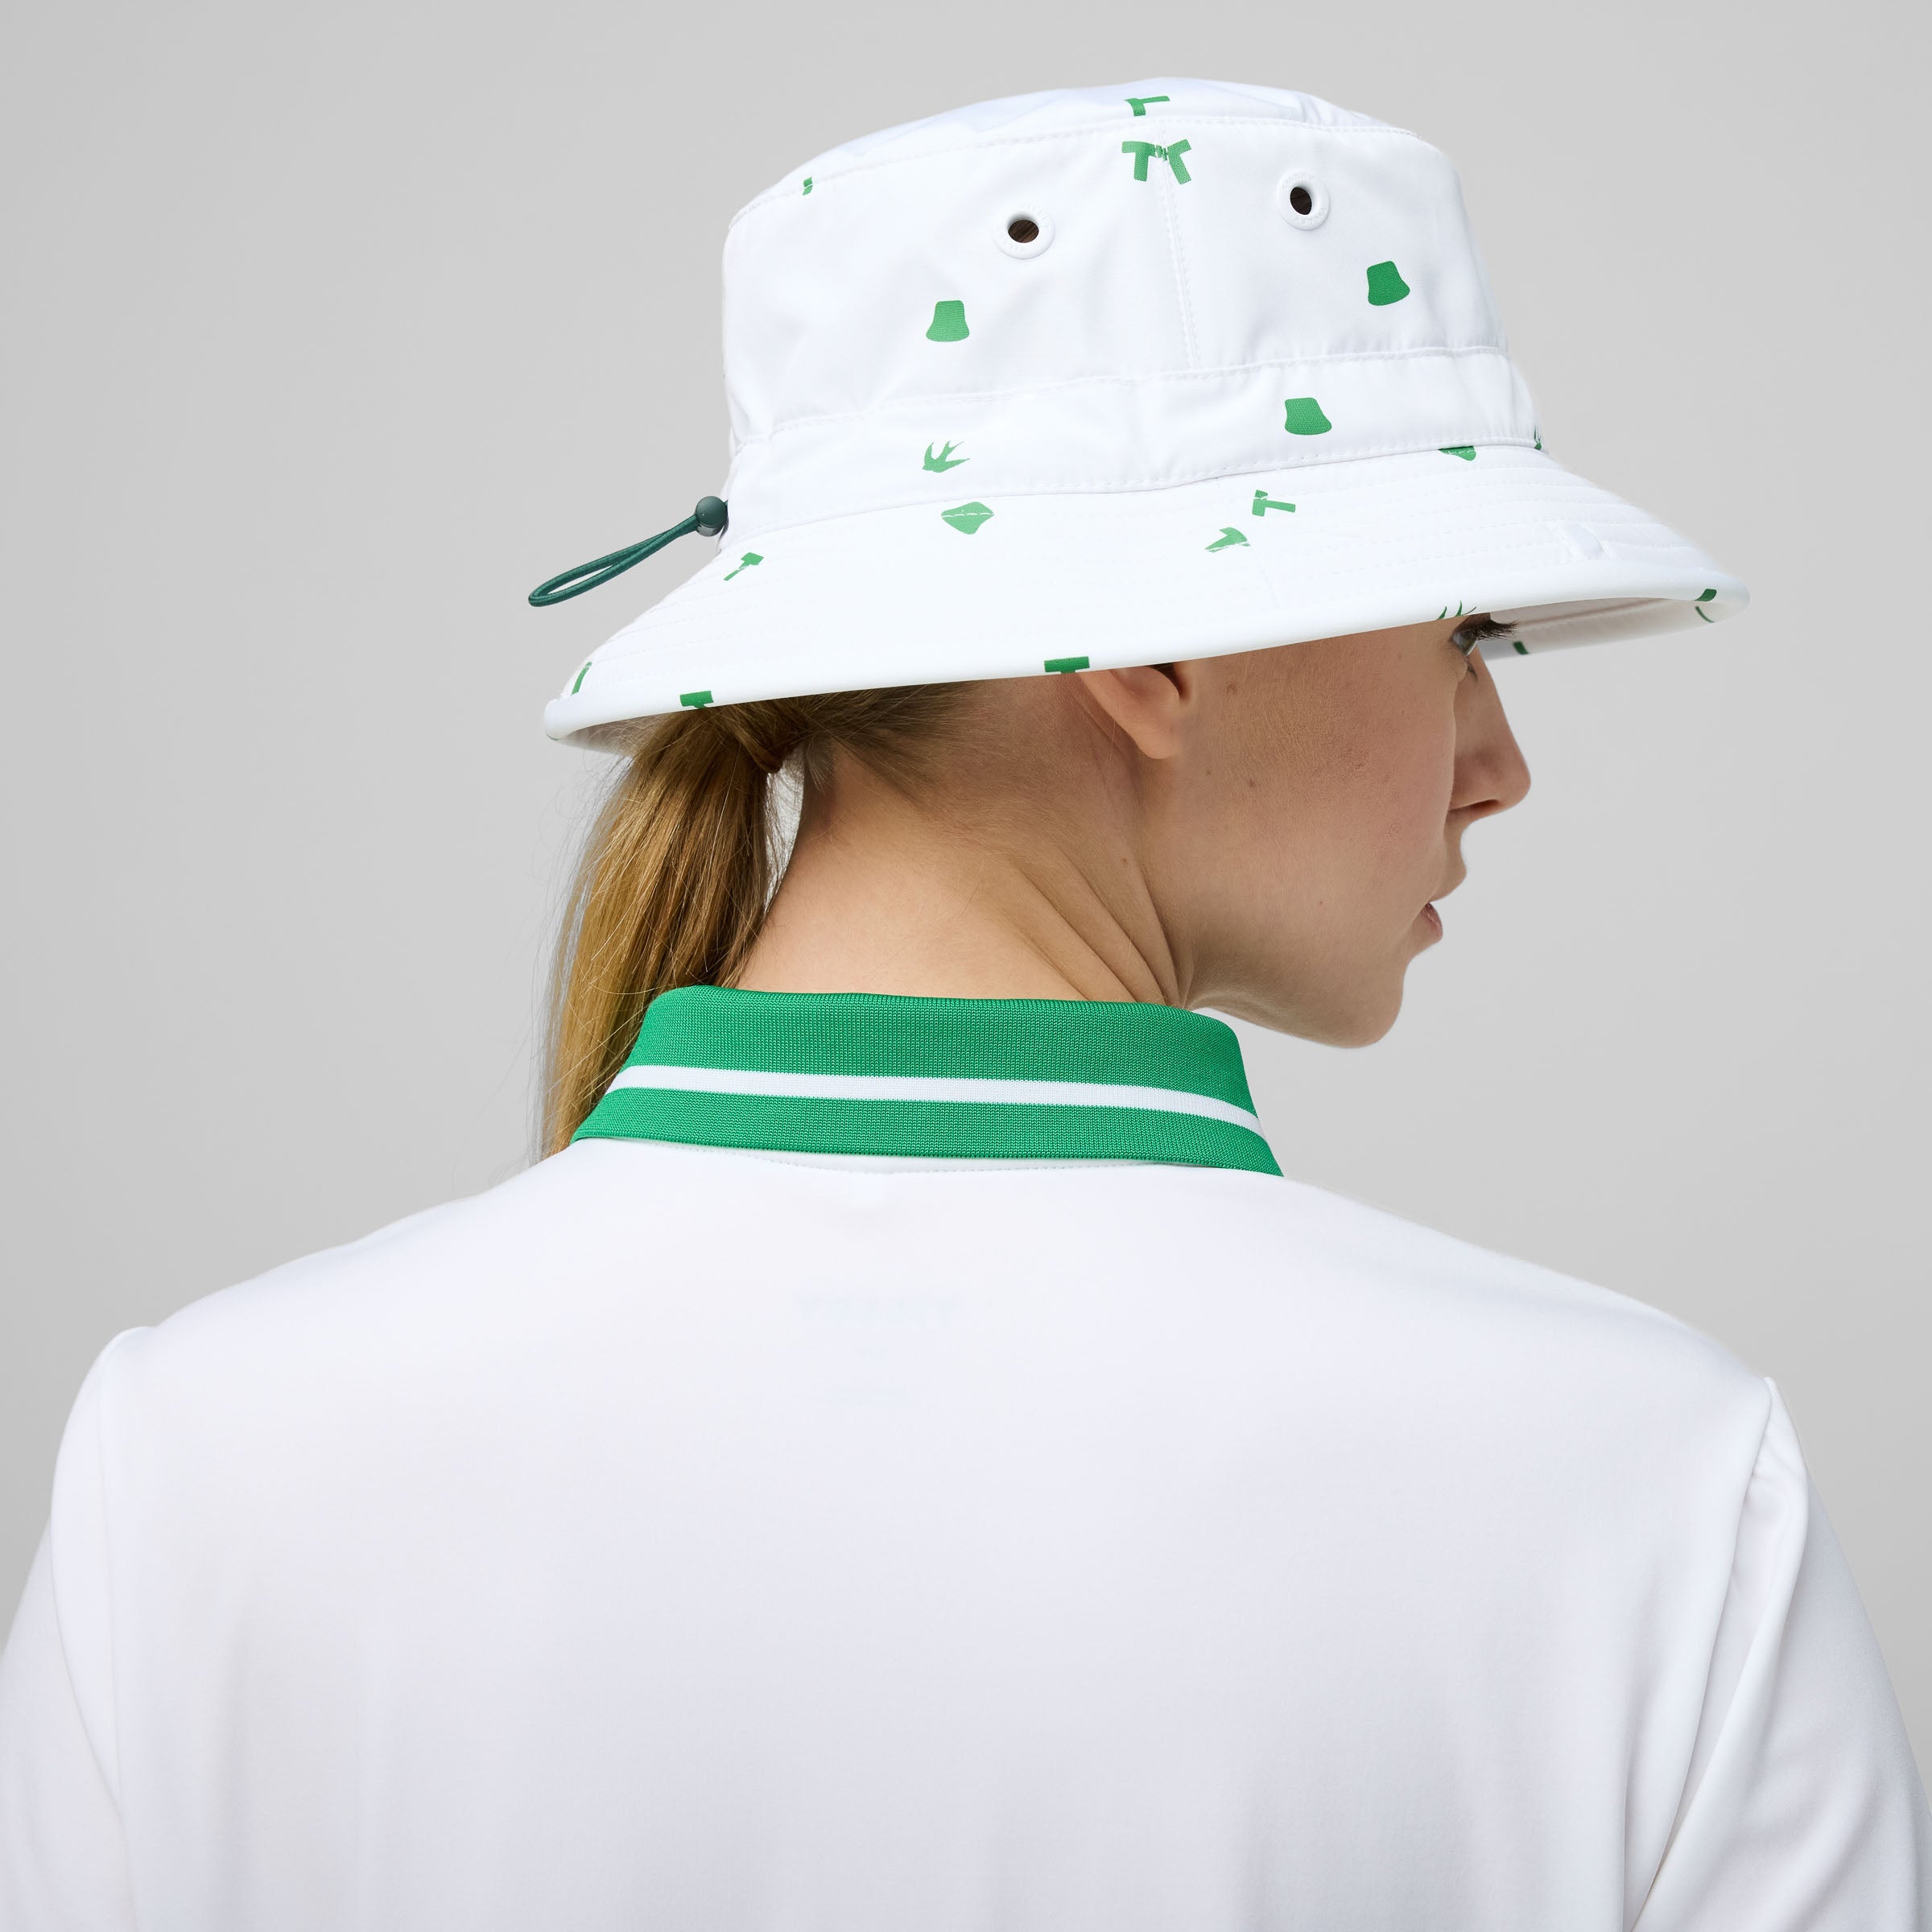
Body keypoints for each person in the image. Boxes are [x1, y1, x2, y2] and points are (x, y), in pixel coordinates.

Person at [2, 76, 1926, 1931]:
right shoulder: (1643, 1487)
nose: (1499, 766)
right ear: (1155, 646)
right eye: (1466, 634)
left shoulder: (201, 1455)